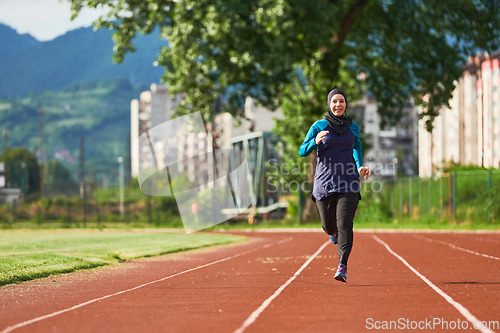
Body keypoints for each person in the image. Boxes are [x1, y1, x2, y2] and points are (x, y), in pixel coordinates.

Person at [299, 88, 370, 283]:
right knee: (328, 226)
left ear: (346, 104)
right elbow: (302, 151)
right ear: (329, 104)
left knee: (345, 224)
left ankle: (342, 266)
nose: (338, 105)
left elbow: (356, 146)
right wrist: (314, 141)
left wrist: (360, 165)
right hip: (324, 183)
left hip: (348, 182)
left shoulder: (352, 127)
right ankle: (333, 232)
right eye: (335, 102)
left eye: (342, 101)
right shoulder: (319, 125)